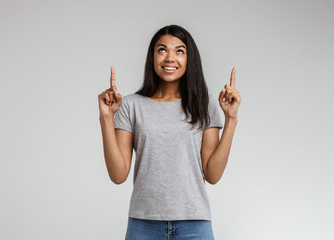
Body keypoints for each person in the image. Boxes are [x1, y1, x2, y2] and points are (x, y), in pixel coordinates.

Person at [98, 25, 241, 240]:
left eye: (179, 51)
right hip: (143, 224)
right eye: (162, 50)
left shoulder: (204, 104)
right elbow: (118, 175)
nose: (170, 58)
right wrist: (106, 117)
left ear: (189, 59)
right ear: (152, 56)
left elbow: (212, 175)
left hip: (194, 223)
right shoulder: (130, 106)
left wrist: (231, 119)